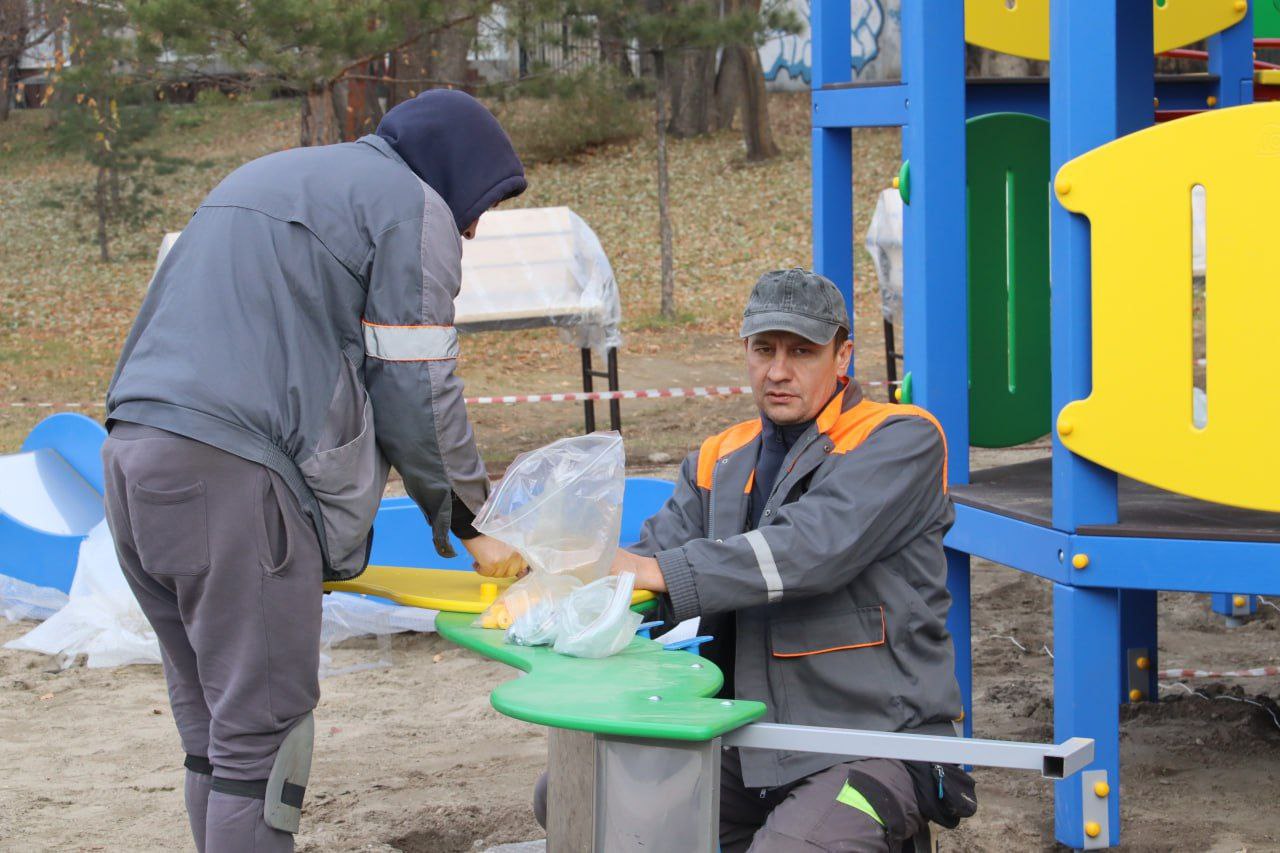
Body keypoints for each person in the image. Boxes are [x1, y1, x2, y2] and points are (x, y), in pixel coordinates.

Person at [100, 90, 527, 853]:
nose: (470, 227)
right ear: (456, 173)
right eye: (480, 207)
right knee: (264, 739)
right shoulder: (411, 203)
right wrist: (474, 520)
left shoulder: (277, 176)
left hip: (133, 454)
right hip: (230, 474)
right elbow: (416, 387)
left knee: (216, 733)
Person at [537, 268, 967, 851]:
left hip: (874, 742)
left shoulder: (902, 441)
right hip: (748, 740)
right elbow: (641, 562)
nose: (779, 370)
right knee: (575, 795)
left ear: (843, 357)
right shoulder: (720, 457)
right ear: (745, 351)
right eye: (764, 349)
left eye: (802, 352)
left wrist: (655, 572)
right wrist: (560, 580)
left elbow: (807, 550)